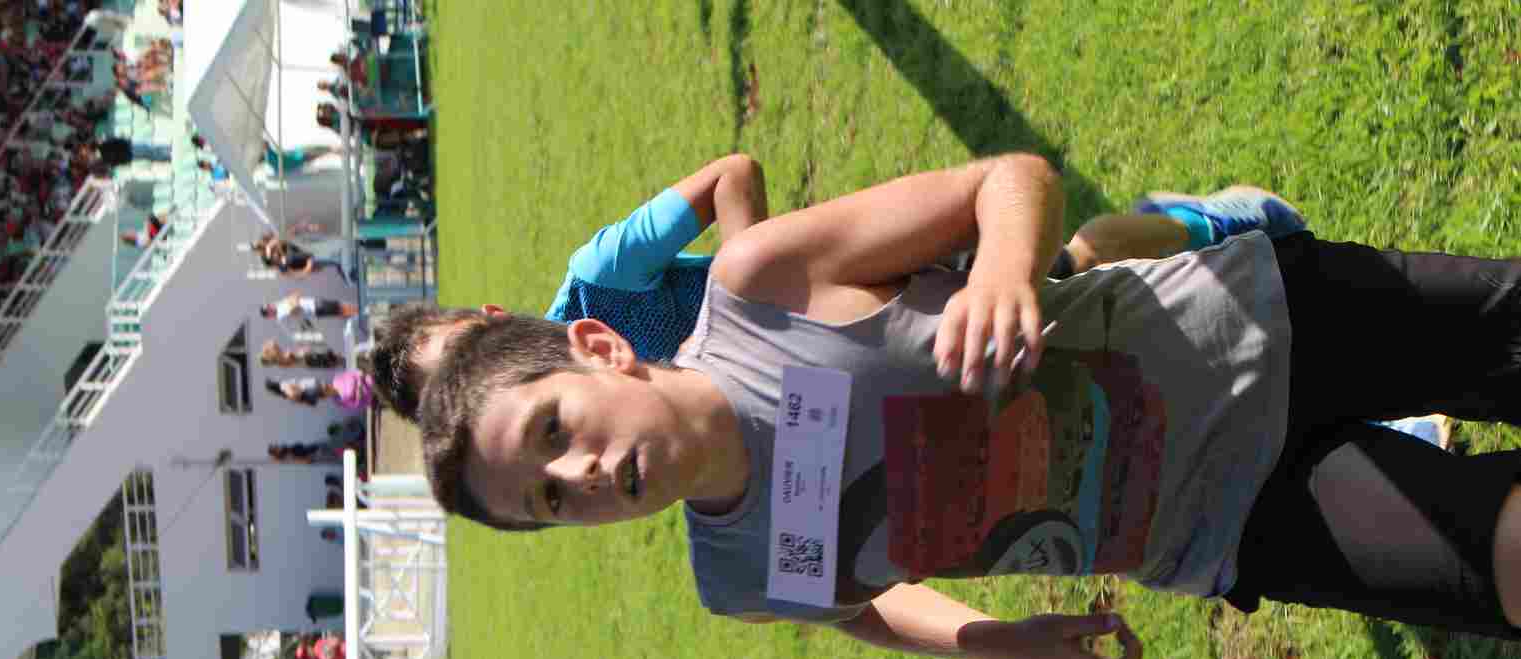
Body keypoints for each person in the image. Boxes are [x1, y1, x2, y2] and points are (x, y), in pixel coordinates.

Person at [418, 154, 1521, 659]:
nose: (584, 473)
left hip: (1245, 324)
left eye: (554, 433)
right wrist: (1004, 643)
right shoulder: (735, 577)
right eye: (550, 501)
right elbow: (855, 604)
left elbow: (1003, 180)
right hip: (1221, 522)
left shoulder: (761, 285)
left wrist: (1006, 270)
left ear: (596, 347)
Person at [371, 154, 1306, 422]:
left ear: (490, 318)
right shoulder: (577, 440)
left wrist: (750, 296)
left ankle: (1205, 225)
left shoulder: (598, 279)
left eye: (470, 353)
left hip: (852, 296)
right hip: (848, 390)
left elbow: (732, 174)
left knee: (1068, 269)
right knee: (1070, 381)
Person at [261, 293, 358, 330]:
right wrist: (293, 302)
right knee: (341, 310)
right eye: (268, 309)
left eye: (268, 305)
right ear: (269, 315)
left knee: (341, 306)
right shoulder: (280, 316)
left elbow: (295, 294)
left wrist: (293, 301)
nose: (270, 306)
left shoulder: (280, 304)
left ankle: (359, 311)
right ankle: (360, 313)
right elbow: (296, 308)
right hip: (315, 309)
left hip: (315, 302)